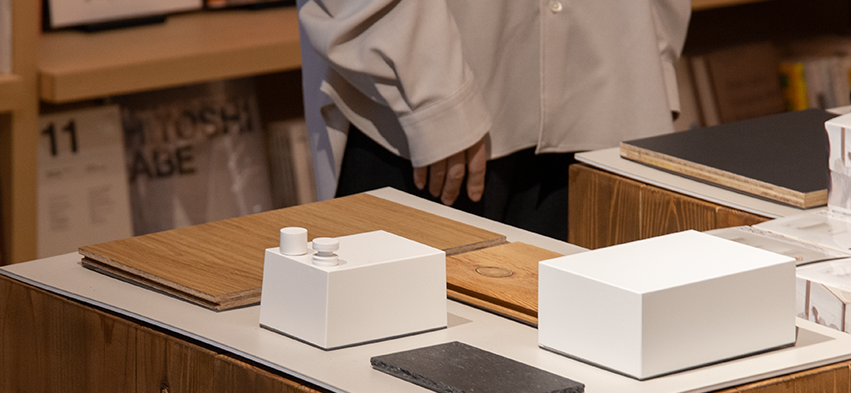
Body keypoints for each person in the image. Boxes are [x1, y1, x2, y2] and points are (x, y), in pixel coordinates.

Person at [296, 0, 691, 241]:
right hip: (423, 127)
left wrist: (653, 60)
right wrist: (432, 92)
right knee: (405, 347)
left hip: (612, 96)